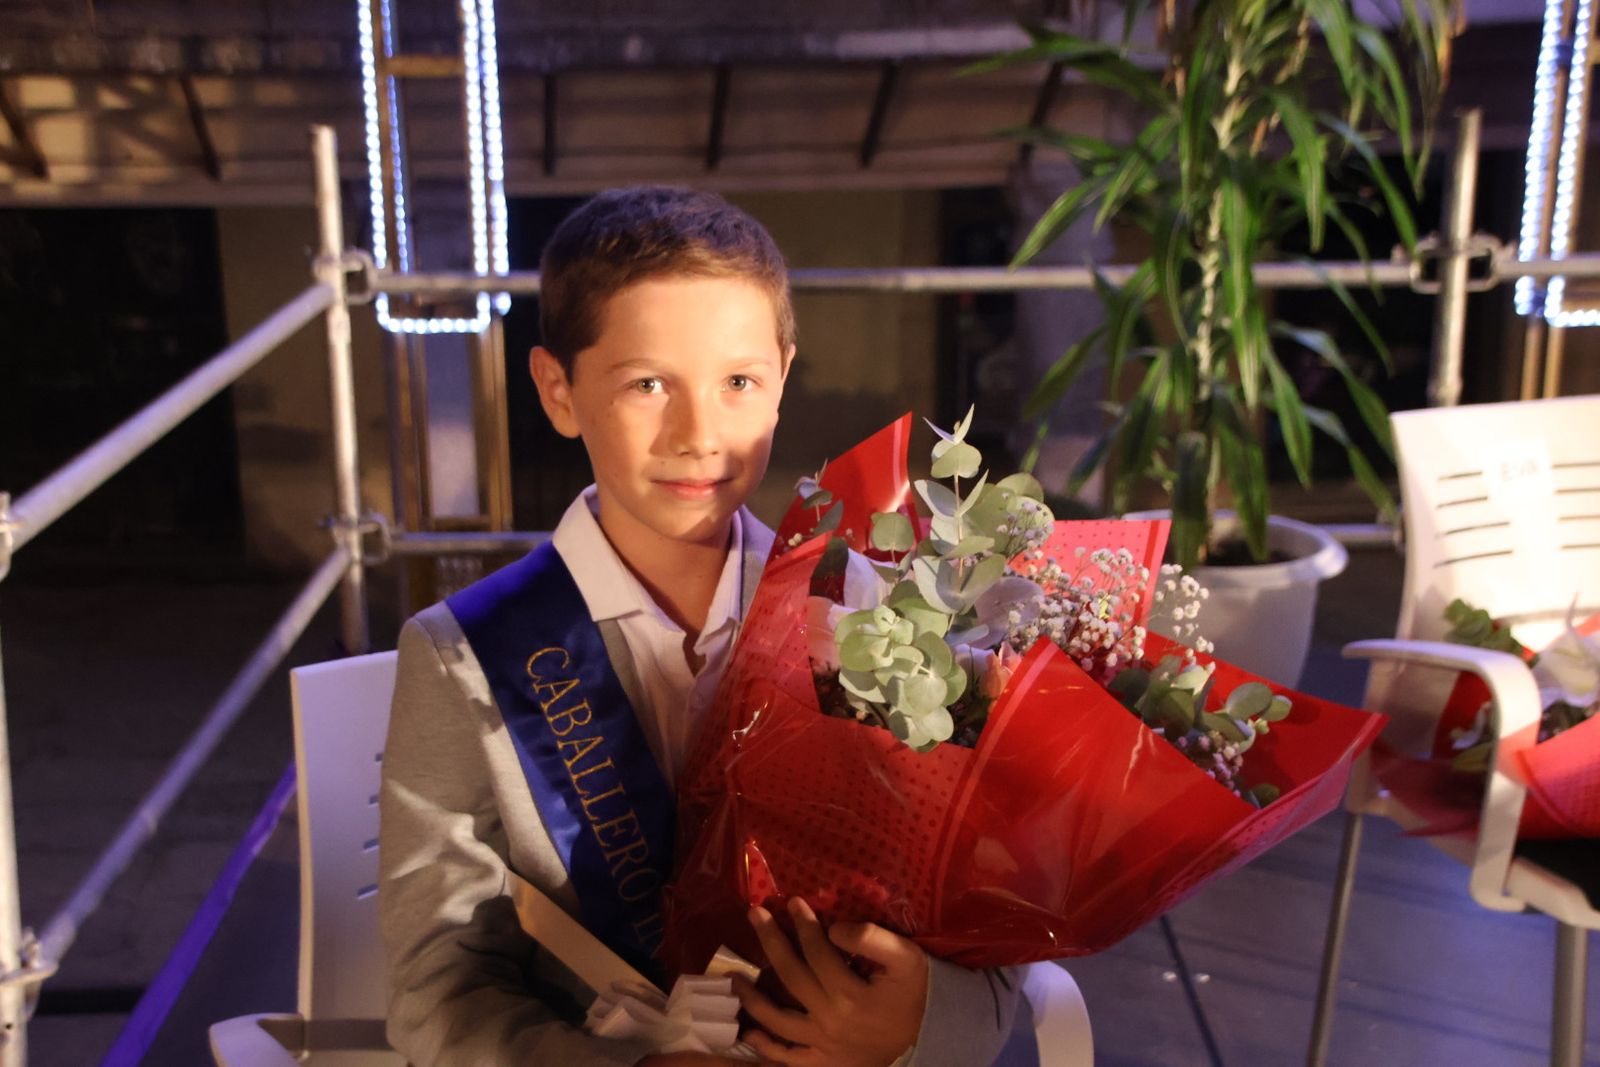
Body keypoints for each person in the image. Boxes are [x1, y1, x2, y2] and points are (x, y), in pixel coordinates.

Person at [379, 186, 1027, 1067]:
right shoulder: (468, 655)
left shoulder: (879, 618)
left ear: (782, 381)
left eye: (738, 382)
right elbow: (439, 990)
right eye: (648, 383)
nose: (699, 434)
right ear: (558, 391)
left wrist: (917, 1022)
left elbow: (990, 943)